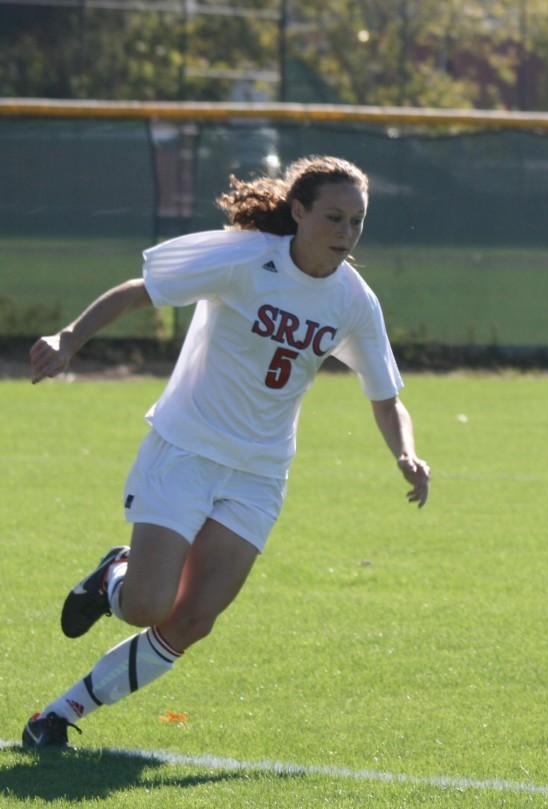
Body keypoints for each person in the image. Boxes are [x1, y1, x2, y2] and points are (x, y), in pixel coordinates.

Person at [22, 155, 431, 748]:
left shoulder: (353, 301)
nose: (345, 234)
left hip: (259, 474)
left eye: (357, 222)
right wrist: (69, 338)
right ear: (298, 211)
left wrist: (406, 454)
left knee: (191, 621)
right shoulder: (245, 260)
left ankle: (57, 716)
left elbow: (386, 396)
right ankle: (113, 575)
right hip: (185, 449)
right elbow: (143, 293)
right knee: (144, 607)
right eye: (334, 218)